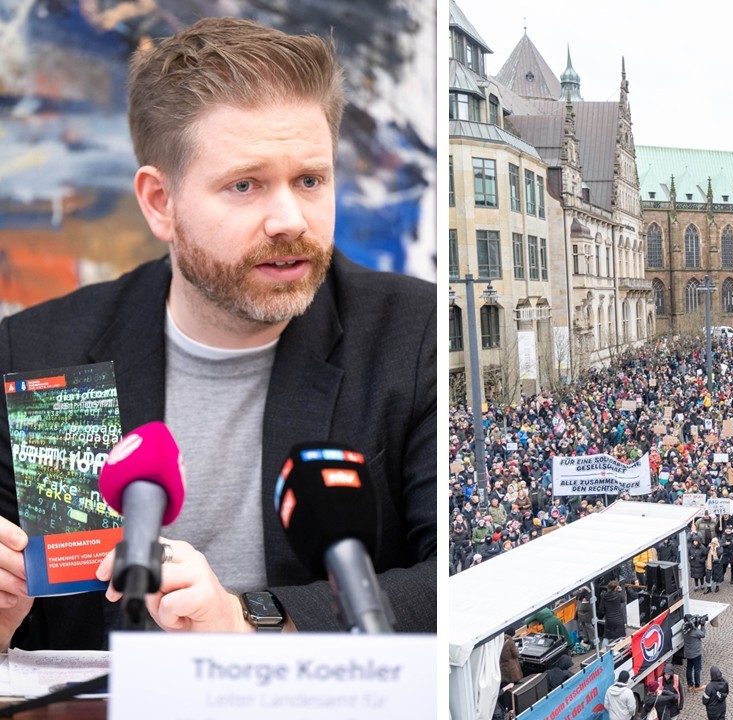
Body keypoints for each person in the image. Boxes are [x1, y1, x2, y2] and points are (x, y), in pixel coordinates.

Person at [0, 17, 437, 647]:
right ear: (160, 202)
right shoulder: (43, 353)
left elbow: (439, 589)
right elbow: (45, 620)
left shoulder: (411, 335)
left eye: (309, 180)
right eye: (245, 185)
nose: (289, 218)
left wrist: (249, 620)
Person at [684, 614, 707, 690]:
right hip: (696, 653)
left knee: (689, 668)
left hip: (688, 653)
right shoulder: (694, 631)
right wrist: (702, 625)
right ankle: (697, 686)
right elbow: (702, 634)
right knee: (697, 669)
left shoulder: (684, 628)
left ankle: (690, 685)